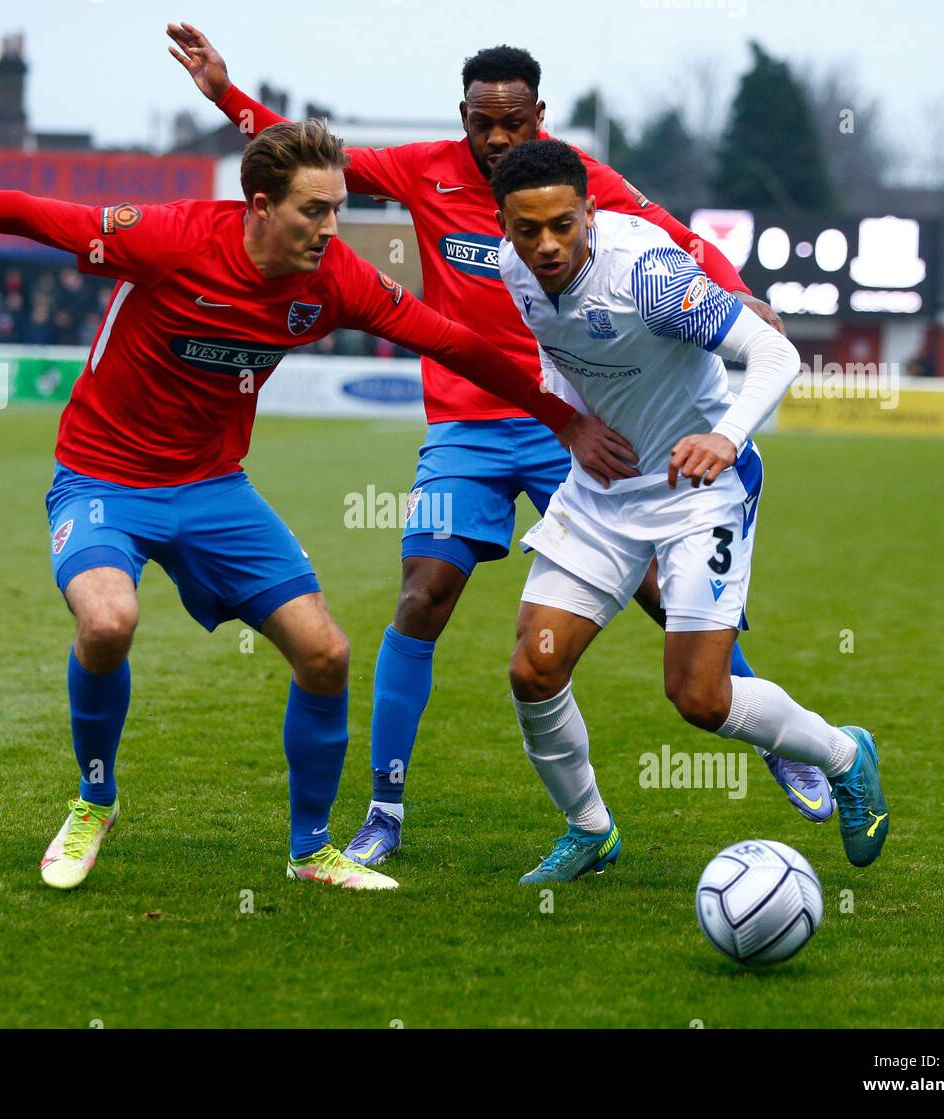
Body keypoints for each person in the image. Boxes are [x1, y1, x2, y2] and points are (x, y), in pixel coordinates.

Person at [0, 120, 629, 893]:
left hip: (214, 489)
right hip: (102, 478)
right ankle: (95, 799)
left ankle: (310, 848)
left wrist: (563, 416)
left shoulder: (335, 282)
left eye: (338, 209)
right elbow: (23, 209)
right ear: (258, 206)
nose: (334, 230)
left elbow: (453, 342)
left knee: (326, 654)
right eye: (315, 212)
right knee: (107, 622)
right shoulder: (168, 237)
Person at [170, 24, 829, 867]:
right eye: (484, 124)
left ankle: (774, 737)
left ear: (539, 118)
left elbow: (677, 236)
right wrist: (226, 94)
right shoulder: (422, 169)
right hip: (465, 429)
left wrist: (745, 299)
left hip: (579, 426)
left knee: (667, 595)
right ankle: (386, 807)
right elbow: (312, 157)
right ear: (464, 117)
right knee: (421, 597)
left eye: (513, 124)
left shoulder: (569, 182)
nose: (497, 141)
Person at [490, 140, 889, 881]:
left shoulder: (650, 278)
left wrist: (723, 437)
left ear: (590, 212)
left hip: (700, 490)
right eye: (527, 229)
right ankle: (590, 830)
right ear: (505, 224)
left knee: (699, 698)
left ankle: (843, 752)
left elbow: (776, 354)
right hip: (604, 491)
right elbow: (557, 350)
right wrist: (570, 422)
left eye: (563, 225)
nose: (546, 244)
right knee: (532, 670)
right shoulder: (511, 267)